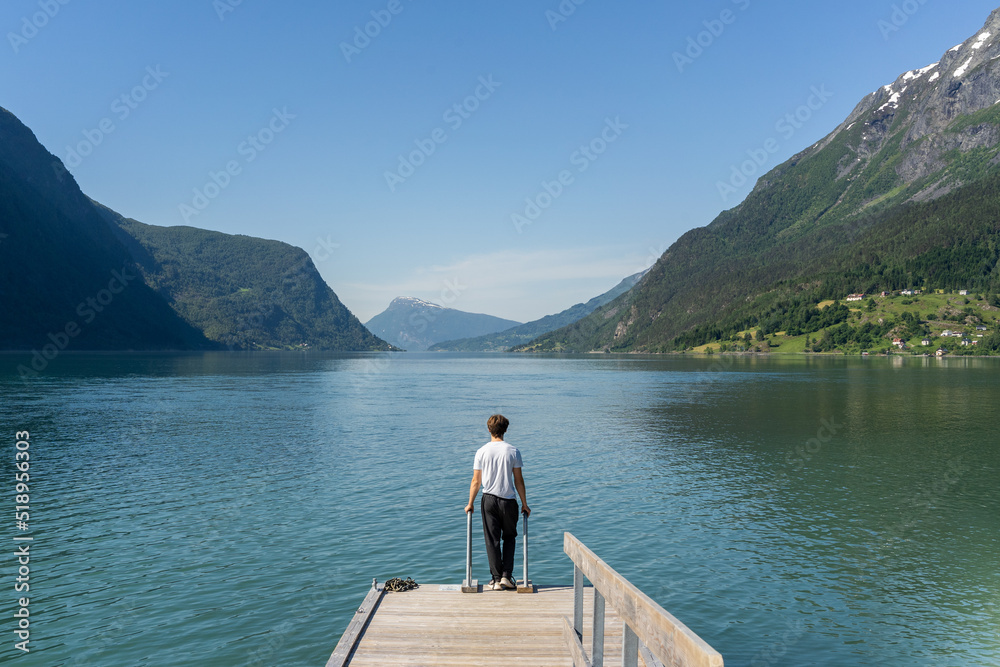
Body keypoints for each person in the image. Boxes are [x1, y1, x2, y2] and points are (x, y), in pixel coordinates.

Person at [464, 414, 530, 591]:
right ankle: (506, 577)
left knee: (492, 540)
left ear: (488, 430)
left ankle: (495, 579)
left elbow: (476, 481)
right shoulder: (513, 451)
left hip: (489, 500)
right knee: (509, 538)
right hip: (508, 500)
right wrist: (525, 503)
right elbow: (519, 481)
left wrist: (470, 503)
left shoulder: (481, 451)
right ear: (505, 430)